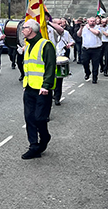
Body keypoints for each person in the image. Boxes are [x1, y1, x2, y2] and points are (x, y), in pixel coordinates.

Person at [20, 19, 56, 159]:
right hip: (29, 87)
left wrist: (46, 85)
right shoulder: (28, 46)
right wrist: (25, 84)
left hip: (42, 89)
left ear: (31, 30)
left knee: (40, 118)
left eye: (24, 28)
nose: (22, 30)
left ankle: (45, 137)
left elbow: (50, 67)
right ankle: (34, 146)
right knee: (29, 118)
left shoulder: (46, 45)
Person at [48, 18, 74, 106]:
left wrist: (69, 44)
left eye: (61, 23)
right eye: (58, 24)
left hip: (60, 57)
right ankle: (50, 95)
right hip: (50, 57)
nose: (61, 25)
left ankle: (57, 97)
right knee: (50, 78)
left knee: (59, 79)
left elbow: (72, 41)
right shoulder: (48, 31)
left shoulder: (65, 33)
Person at [78, 17, 102, 84]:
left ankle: (95, 78)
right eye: (91, 21)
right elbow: (78, 35)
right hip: (86, 48)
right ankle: (87, 72)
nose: (92, 22)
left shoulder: (97, 27)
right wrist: (81, 28)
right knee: (84, 62)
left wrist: (89, 28)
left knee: (95, 64)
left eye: (93, 21)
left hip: (96, 49)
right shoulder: (84, 28)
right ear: (88, 21)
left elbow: (97, 33)